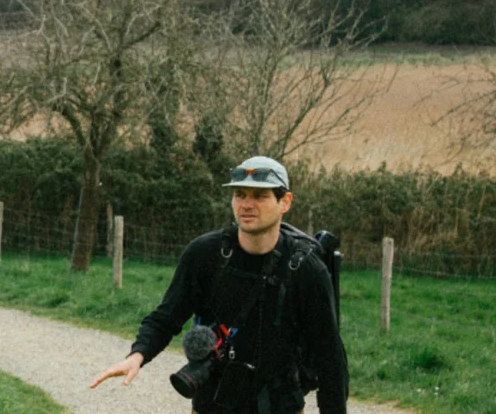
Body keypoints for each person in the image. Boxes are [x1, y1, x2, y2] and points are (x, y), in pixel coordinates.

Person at [89, 156, 347, 414]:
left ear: (285, 202)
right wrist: (137, 355)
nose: (247, 204)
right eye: (240, 194)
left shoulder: (305, 268)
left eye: (260, 196)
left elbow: (330, 359)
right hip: (212, 404)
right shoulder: (205, 254)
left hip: (280, 405)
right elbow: (166, 317)